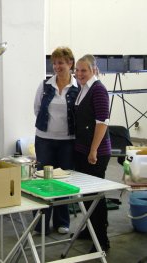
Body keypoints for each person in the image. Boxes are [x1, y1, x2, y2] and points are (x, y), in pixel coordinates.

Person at [33, 46, 79, 235]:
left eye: (61, 62)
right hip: (44, 140)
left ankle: (62, 221)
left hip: (68, 141)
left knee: (63, 182)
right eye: (54, 63)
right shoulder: (45, 85)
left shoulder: (78, 87)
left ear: (70, 63)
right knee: (42, 181)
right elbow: (37, 109)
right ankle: (40, 223)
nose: (57, 66)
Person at [73, 54, 111, 252]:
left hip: (96, 152)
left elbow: (102, 122)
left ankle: (102, 239)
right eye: (77, 70)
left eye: (84, 70)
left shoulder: (98, 90)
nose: (79, 74)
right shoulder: (82, 89)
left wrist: (94, 150)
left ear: (93, 70)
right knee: (87, 194)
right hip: (82, 150)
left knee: (96, 195)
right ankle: (90, 231)